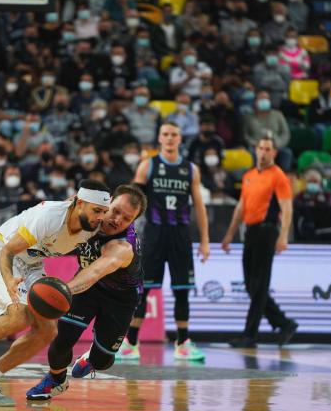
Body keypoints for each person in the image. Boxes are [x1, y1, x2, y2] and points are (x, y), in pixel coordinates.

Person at [0, 180, 111, 406]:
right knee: (18, 316)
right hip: (4, 254)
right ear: (80, 203)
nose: (100, 217)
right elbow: (7, 252)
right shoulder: (49, 216)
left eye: (104, 211)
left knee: (47, 331)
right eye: (96, 210)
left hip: (32, 264)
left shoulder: (92, 227)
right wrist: (9, 281)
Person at [26, 185, 147, 400]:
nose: (117, 220)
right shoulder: (88, 212)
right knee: (60, 340)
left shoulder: (122, 247)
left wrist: (59, 291)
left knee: (103, 361)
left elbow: (94, 273)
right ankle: (56, 380)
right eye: (116, 210)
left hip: (120, 298)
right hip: (89, 289)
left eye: (126, 218)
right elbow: (55, 214)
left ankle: (92, 357)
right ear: (107, 201)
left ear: (132, 222)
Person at [119, 122, 210, 361]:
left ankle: (183, 343)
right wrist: (125, 234)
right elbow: (132, 202)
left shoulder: (191, 169)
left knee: (182, 290)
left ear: (180, 139)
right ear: (159, 138)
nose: (170, 138)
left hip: (180, 234)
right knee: (143, 289)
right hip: (154, 234)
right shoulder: (147, 166)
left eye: (174, 135)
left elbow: (199, 206)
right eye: (166, 134)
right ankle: (131, 342)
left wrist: (205, 241)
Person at [221, 136, 297, 348]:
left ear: (274, 153)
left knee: (260, 285)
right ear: (256, 150)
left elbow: (287, 208)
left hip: (267, 230)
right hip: (251, 231)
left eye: (268, 149)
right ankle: (284, 323)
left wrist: (283, 236)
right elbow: (240, 208)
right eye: (261, 148)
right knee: (250, 285)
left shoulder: (279, 176)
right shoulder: (249, 176)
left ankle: (250, 334)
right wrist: (229, 234)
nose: (263, 152)